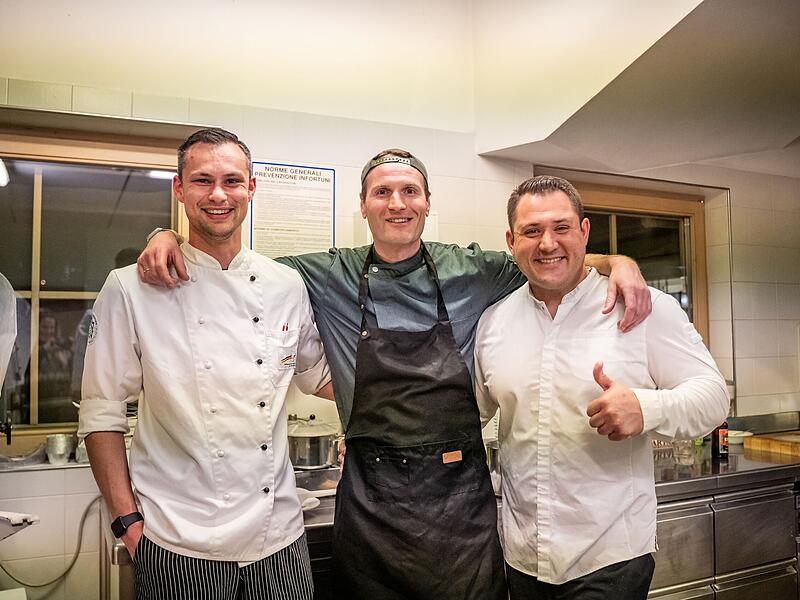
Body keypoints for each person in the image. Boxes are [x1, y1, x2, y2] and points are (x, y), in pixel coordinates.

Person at [139, 148, 653, 599]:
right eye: (382, 191)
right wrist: (168, 235)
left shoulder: (471, 269)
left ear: (427, 202)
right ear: (363, 205)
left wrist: (619, 261)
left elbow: (549, 255)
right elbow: (231, 262)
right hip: (370, 502)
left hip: (461, 507)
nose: (397, 203)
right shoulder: (325, 273)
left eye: (410, 191)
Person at [79, 128, 332, 600]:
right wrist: (127, 522)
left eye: (233, 181)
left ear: (251, 188)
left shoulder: (285, 284)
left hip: (279, 540)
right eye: (202, 180)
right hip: (176, 543)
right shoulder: (130, 288)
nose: (218, 194)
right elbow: (101, 411)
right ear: (179, 189)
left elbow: (319, 377)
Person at [473, 175, 729, 600]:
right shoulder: (493, 323)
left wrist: (645, 408)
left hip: (610, 559)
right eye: (532, 231)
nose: (547, 243)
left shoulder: (644, 308)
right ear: (511, 240)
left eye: (561, 228)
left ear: (584, 231)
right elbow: (470, 415)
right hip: (521, 557)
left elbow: (713, 396)